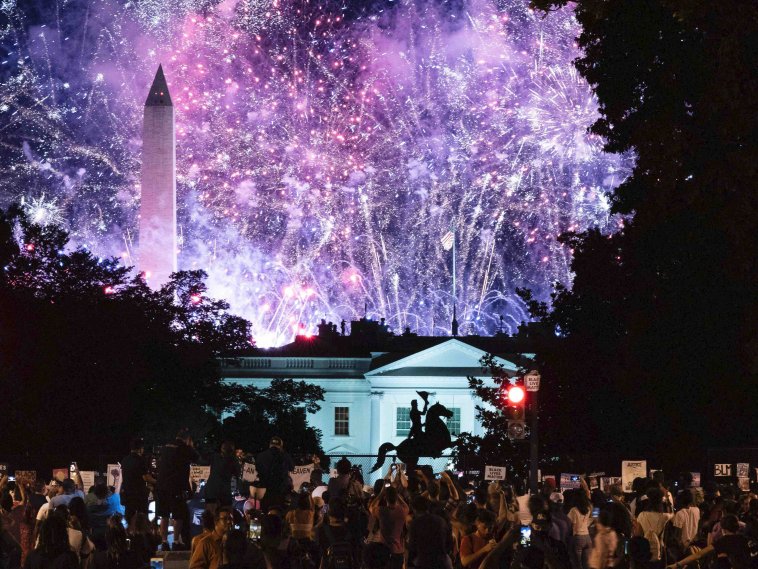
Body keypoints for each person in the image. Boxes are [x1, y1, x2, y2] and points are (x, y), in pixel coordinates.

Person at [156, 428, 200, 551]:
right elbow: (197, 457)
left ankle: (164, 542)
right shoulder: (184, 448)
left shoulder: (166, 446)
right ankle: (176, 541)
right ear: (187, 439)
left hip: (161, 485)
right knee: (178, 515)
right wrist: (191, 446)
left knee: (163, 514)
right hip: (176, 486)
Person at [666, 515, 750, 569]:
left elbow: (699, 554)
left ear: (723, 529)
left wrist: (677, 565)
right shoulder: (743, 539)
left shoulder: (724, 541)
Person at [368, 485, 409, 569]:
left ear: (385, 498)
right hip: (399, 551)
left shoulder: (382, 511)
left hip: (385, 550)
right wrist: (396, 494)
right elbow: (406, 506)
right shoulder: (402, 511)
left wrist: (381, 493)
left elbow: (371, 507)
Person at [407, 495, 450, 569]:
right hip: (441, 562)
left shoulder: (415, 524)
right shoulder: (440, 521)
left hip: (424, 562)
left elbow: (412, 547)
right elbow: (449, 543)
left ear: (414, 509)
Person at [119, 438, 156, 524]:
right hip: (138, 494)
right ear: (140, 449)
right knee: (142, 517)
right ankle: (141, 534)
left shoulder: (125, 460)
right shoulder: (140, 460)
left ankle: (129, 534)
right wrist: (157, 481)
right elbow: (146, 477)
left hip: (127, 493)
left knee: (129, 516)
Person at [634, 488, 673, 566]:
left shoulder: (642, 515)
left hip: (645, 552)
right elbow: (672, 513)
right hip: (660, 551)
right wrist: (668, 500)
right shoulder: (664, 517)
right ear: (661, 501)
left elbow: (638, 535)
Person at [253, 438, 294, 513]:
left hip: (265, 490)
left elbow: (257, 469)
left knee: (264, 513)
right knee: (279, 514)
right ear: (280, 446)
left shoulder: (261, 455)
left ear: (270, 445)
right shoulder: (285, 455)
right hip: (280, 491)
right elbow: (292, 468)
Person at [205, 442, 239, 515]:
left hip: (211, 491)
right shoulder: (233, 460)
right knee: (226, 517)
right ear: (232, 450)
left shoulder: (214, 457)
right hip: (224, 492)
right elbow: (238, 475)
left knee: (211, 517)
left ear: (221, 449)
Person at [567, 485, 593, 569]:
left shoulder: (574, 510)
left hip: (577, 538)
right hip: (587, 537)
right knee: (587, 565)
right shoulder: (588, 509)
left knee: (577, 565)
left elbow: (569, 523)